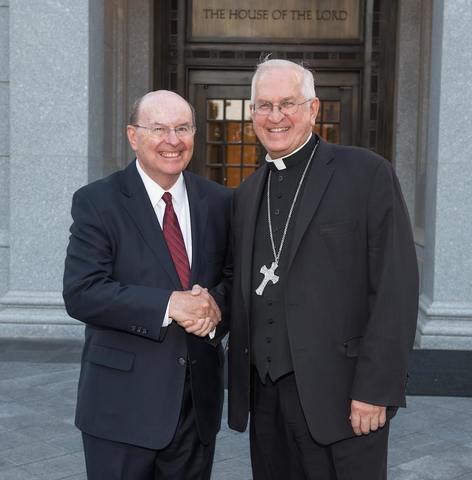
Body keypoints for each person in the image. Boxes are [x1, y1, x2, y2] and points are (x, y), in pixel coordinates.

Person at [227, 59, 419, 480]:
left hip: (344, 398)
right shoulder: (246, 194)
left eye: (288, 103)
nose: (275, 117)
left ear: (314, 109)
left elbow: (395, 289)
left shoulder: (366, 173)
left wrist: (376, 389)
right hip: (265, 397)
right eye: (263, 105)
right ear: (252, 112)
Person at [63, 90, 232, 480]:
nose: (172, 140)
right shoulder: (98, 201)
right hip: (121, 410)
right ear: (133, 135)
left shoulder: (220, 201)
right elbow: (82, 292)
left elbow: (231, 281)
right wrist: (170, 305)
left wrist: (212, 310)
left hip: (196, 410)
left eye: (182, 128)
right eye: (159, 128)